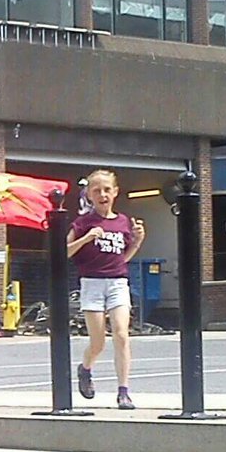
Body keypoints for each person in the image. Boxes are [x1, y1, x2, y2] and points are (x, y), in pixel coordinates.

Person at [67, 167, 146, 410]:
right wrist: (86, 238)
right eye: (97, 190)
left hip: (117, 282)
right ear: (89, 195)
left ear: (115, 192)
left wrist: (137, 241)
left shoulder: (122, 221)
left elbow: (122, 258)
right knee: (98, 342)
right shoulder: (82, 223)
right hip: (91, 282)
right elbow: (64, 252)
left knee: (122, 335)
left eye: (107, 190)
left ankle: (123, 391)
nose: (102, 194)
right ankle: (86, 368)